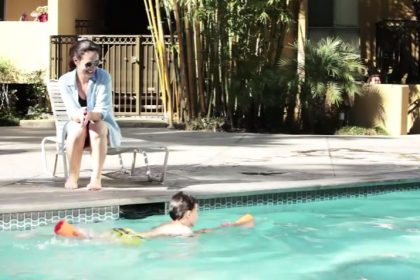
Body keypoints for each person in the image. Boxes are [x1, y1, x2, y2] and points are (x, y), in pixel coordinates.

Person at [54, 192, 254, 242]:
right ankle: (78, 235)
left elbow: (196, 232)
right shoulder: (183, 230)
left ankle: (78, 233)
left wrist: (226, 226)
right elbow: (194, 236)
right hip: (134, 239)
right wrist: (227, 227)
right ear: (188, 213)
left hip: (132, 234)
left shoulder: (172, 224)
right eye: (197, 211)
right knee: (97, 240)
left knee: (97, 238)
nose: (198, 215)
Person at [58, 39, 121, 190]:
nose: (93, 68)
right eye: (88, 64)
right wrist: (81, 115)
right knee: (77, 128)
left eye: (96, 63)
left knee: (97, 126)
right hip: (76, 125)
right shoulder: (64, 81)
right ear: (76, 61)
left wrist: (90, 115)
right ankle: (73, 176)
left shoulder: (103, 77)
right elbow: (71, 111)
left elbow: (103, 109)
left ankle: (96, 178)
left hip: (98, 126)